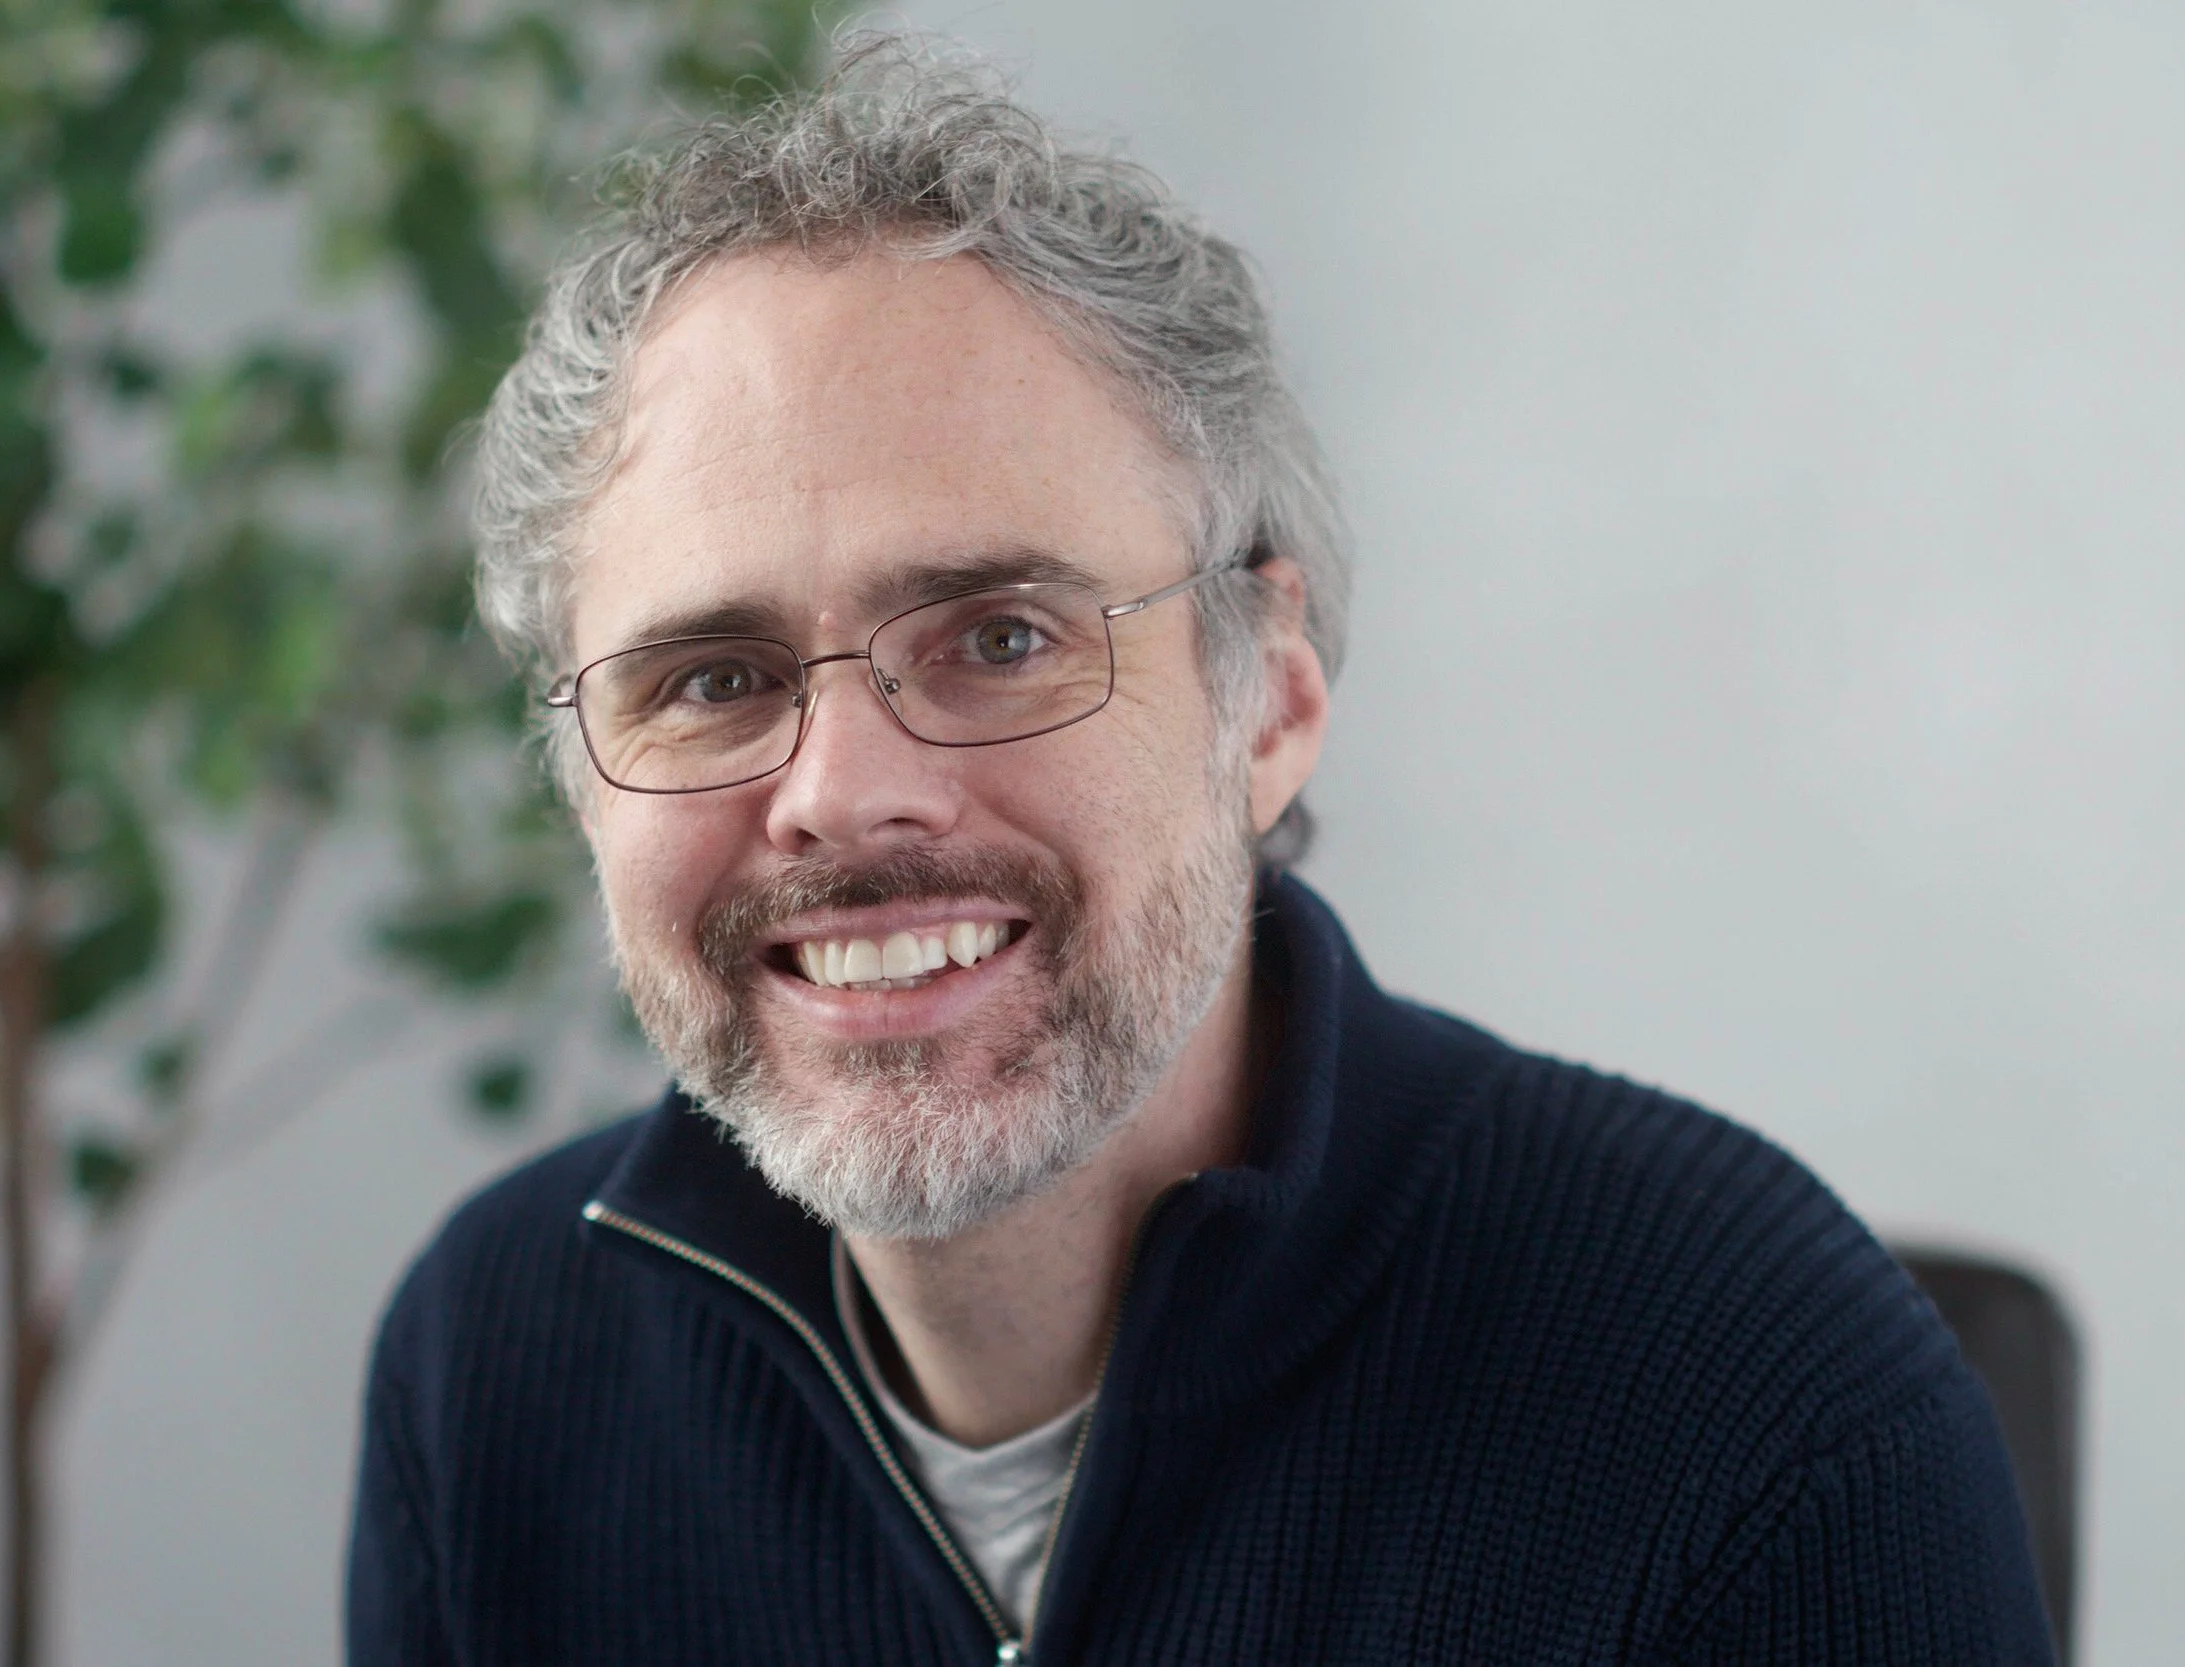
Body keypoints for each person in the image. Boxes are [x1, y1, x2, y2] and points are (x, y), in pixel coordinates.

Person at [346, 37, 2053, 1667]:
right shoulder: (492, 1365)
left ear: (1273, 704)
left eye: (1000, 636)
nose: (843, 793)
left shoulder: (1761, 1403)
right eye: (709, 681)